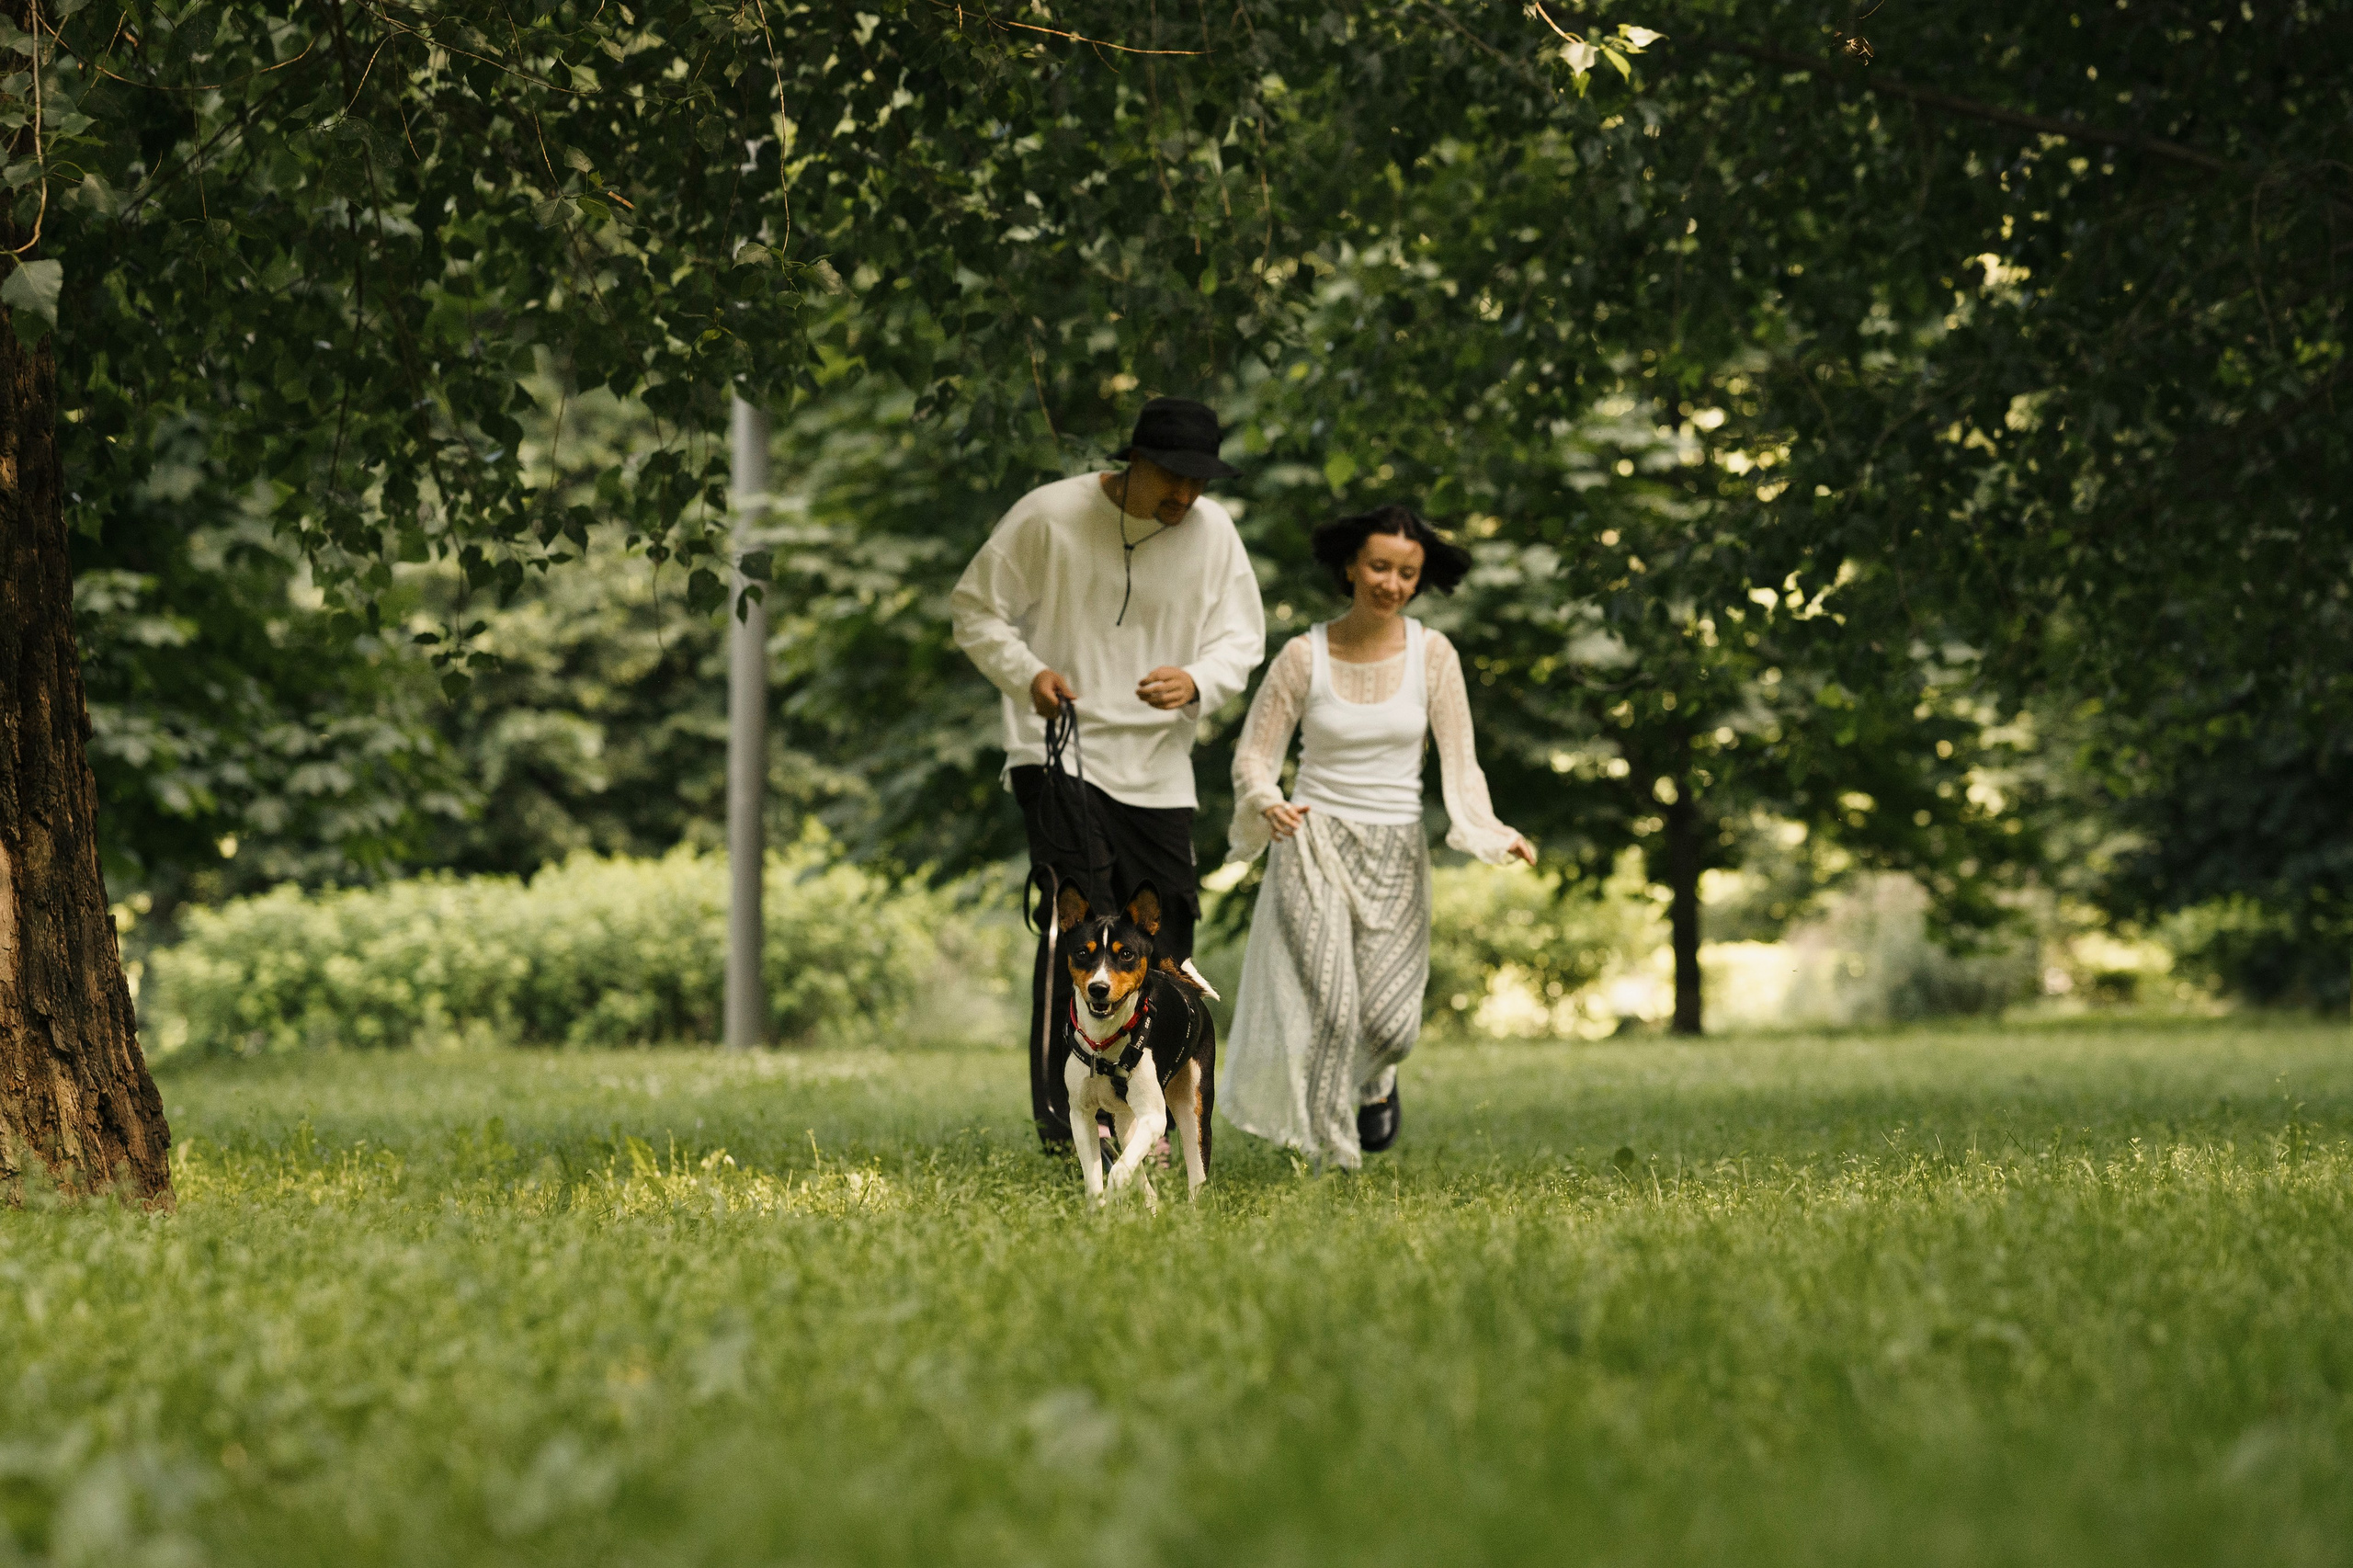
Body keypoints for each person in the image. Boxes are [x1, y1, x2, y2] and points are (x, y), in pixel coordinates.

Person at [951, 397, 1266, 1153]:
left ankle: (1155, 1113)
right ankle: (1070, 1119)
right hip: (1057, 750)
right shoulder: (1047, 517)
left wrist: (1197, 680)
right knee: (1080, 931)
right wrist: (1028, 674)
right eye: (1173, 478)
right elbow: (974, 610)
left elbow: (1242, 637)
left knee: (1167, 935)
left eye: (1200, 482)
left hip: (1158, 767)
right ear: (1133, 463)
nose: (1187, 497)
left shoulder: (1215, 533)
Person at [1220, 504, 1534, 1168]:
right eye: (1380, 566)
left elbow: (1460, 757)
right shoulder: (1303, 656)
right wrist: (1266, 800)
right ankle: (1337, 1156)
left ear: (1420, 581)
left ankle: (1377, 1082)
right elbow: (1255, 756)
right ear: (1351, 567)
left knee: (1391, 1025)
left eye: (1407, 573)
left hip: (1395, 851)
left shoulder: (1434, 655)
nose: (1391, 583)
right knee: (1333, 1011)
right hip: (1312, 842)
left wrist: (1491, 832)